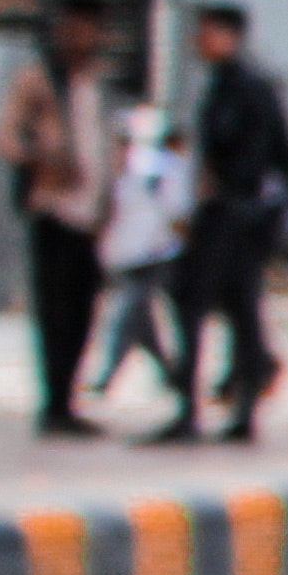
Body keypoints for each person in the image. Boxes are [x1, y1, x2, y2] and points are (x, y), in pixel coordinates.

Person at [152, 0, 288, 446]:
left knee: (200, 303)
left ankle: (210, 408)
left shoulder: (248, 90)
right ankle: (234, 403)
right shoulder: (223, 86)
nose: (199, 41)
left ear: (231, 36)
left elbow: (275, 154)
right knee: (236, 310)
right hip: (230, 215)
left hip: (236, 218)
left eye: (208, 32)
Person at [0, 0, 116, 437]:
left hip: (91, 215)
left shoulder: (96, 81)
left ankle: (69, 398)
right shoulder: (39, 78)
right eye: (72, 26)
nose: (80, 36)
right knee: (55, 310)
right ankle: (55, 403)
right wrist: (41, 157)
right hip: (53, 210)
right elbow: (3, 136)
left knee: (85, 311)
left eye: (89, 27)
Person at [89, 99, 195, 403]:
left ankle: (107, 375)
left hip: (154, 254)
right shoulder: (119, 174)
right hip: (126, 256)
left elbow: (177, 213)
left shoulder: (156, 172)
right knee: (142, 322)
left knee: (128, 312)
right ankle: (170, 371)